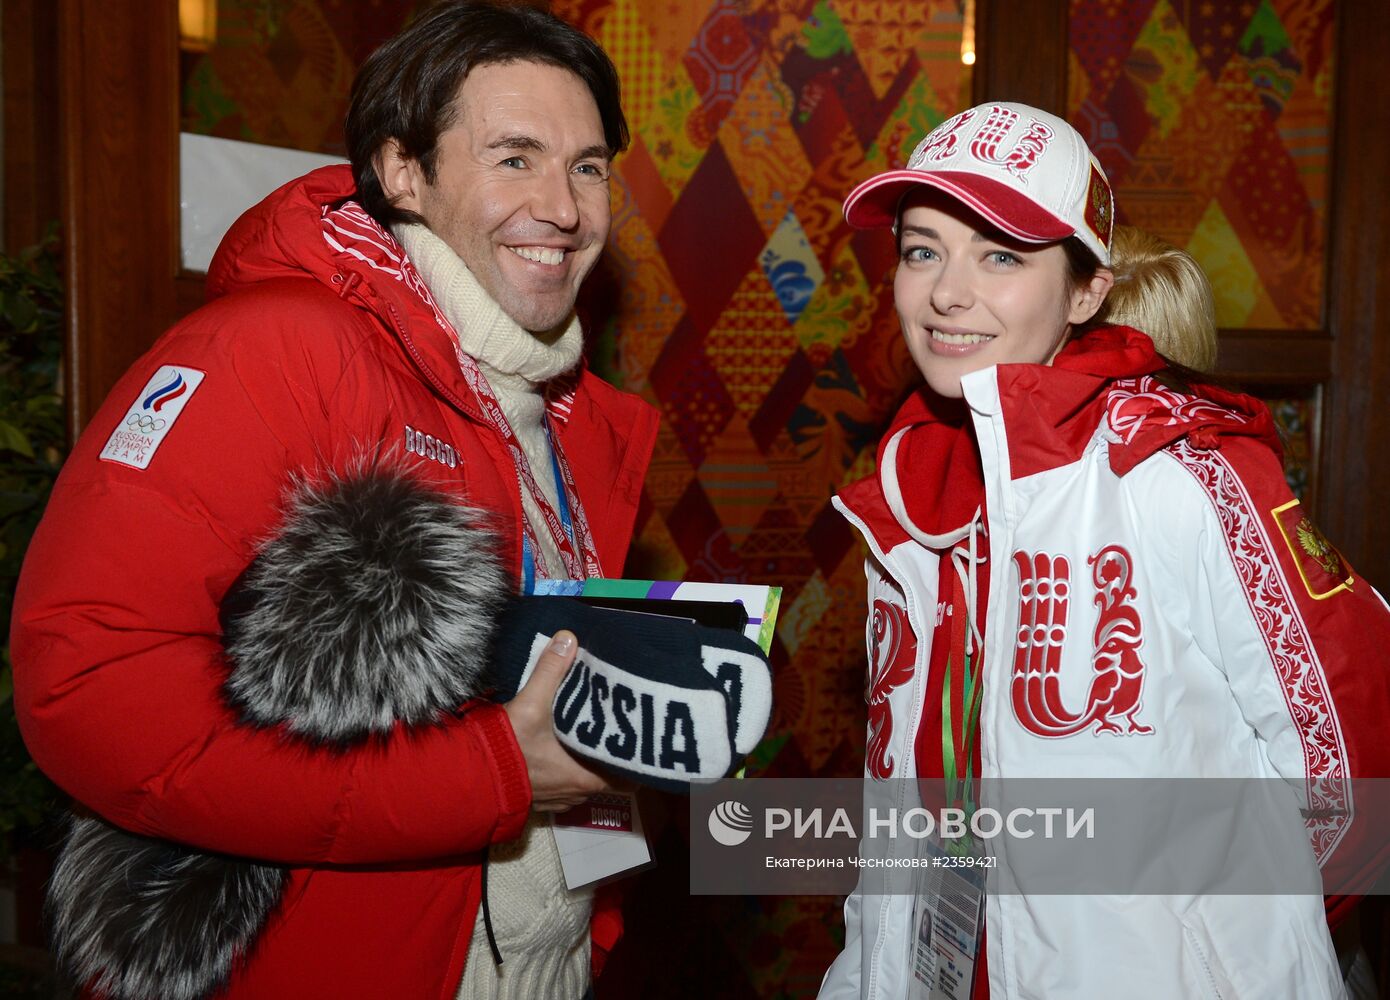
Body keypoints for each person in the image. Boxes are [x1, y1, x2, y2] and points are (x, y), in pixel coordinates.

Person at [11, 3, 658, 999]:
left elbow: (553, 722)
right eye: (514, 158)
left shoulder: (577, 423)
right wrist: (490, 778)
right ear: (404, 170)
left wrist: (593, 916)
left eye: (586, 165)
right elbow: (87, 688)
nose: (565, 207)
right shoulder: (275, 348)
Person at [818, 101, 1390, 998]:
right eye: (922, 248)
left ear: (1087, 291)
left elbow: (1358, 767)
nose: (945, 292)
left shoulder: (1180, 476)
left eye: (1001, 255)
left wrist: (1220, 944)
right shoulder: (909, 508)